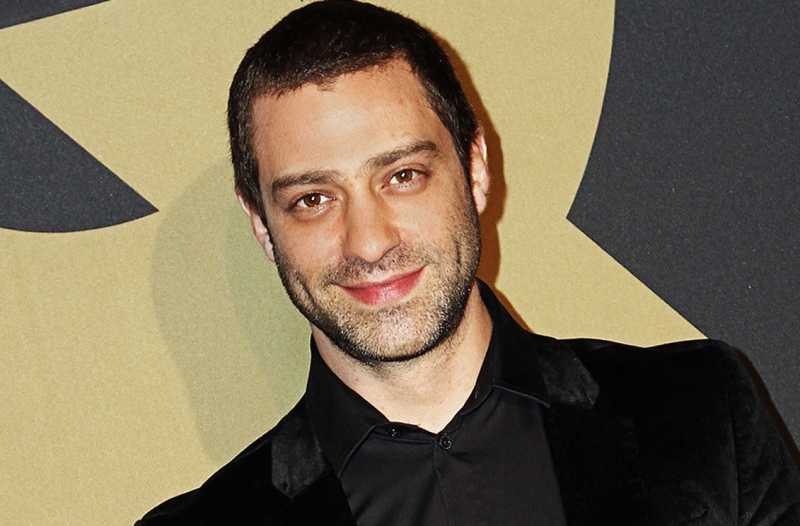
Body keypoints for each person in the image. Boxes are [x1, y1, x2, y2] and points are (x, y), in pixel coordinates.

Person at [137, 1, 800, 524]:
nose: (368, 242)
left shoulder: (701, 415)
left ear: (475, 169)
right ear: (262, 224)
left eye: (402, 176)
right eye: (313, 199)